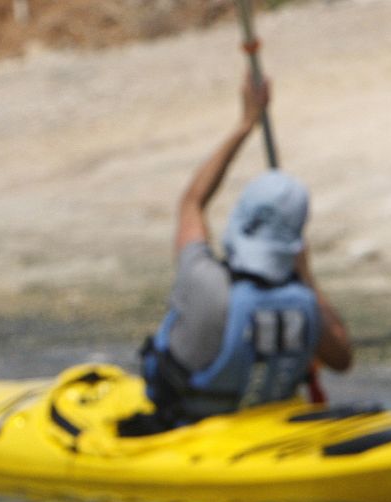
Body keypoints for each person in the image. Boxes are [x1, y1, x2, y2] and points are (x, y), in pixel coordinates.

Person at [125, 75, 353, 435]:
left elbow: (192, 202)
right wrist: (306, 275)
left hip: (188, 430)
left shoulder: (205, 281)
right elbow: (342, 359)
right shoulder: (305, 301)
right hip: (267, 428)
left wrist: (245, 124)